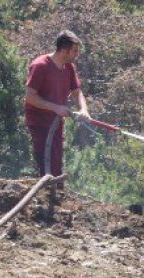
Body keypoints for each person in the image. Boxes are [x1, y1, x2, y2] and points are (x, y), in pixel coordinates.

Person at [24, 30, 91, 177]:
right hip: (39, 123)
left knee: (56, 164)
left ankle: (55, 188)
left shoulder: (69, 68)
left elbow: (77, 92)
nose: (77, 54)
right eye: (75, 51)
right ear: (64, 51)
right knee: (47, 164)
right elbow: (30, 97)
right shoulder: (40, 66)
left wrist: (83, 110)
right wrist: (55, 108)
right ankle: (47, 188)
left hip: (56, 123)